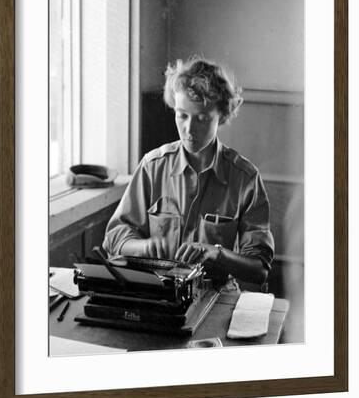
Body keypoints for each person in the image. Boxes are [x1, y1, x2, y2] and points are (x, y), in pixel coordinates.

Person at [103, 57, 274, 289]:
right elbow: (113, 239)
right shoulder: (152, 167)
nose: (189, 129)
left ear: (222, 117)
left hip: (214, 296)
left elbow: (259, 269)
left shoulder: (245, 179)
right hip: (158, 292)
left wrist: (217, 254)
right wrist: (143, 247)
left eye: (202, 119)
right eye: (182, 115)